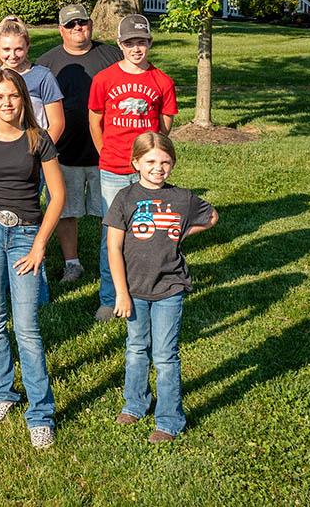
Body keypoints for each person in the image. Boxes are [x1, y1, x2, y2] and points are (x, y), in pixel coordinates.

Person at [0, 69, 66, 449]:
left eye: (14, 96)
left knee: (26, 327)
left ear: (24, 99)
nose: (7, 103)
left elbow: (57, 196)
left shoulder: (39, 141)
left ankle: (40, 412)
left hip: (24, 236)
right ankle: (2, 392)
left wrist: (40, 245)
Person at [105, 132, 218, 443]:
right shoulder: (125, 199)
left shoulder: (182, 198)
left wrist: (180, 234)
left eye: (165, 162)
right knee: (136, 349)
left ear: (173, 164)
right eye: (151, 161)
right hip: (134, 291)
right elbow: (113, 247)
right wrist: (122, 292)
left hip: (170, 287)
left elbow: (212, 217)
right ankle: (135, 404)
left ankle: (169, 420)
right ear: (136, 163)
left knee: (166, 356)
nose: (158, 167)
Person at [89, 14, 178, 322]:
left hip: (147, 171)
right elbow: (95, 119)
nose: (136, 49)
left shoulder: (162, 82)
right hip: (113, 168)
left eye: (141, 42)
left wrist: (151, 160)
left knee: (146, 233)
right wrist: (105, 152)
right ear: (120, 45)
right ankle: (109, 297)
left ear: (149, 43)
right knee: (112, 235)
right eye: (130, 43)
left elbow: (164, 125)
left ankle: (144, 292)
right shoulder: (104, 79)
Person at [36, 4, 122, 283]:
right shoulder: (46, 63)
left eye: (82, 23)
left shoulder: (112, 56)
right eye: (71, 25)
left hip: (106, 152)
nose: (78, 29)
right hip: (63, 152)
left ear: (91, 24)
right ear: (61, 29)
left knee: (109, 213)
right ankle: (72, 263)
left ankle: (111, 260)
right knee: (65, 210)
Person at [0, 16, 65, 145]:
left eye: (18, 49)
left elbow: (57, 124)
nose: (12, 56)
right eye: (6, 49)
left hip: (34, 149)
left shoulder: (43, 76)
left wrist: (42, 151)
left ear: (27, 46)